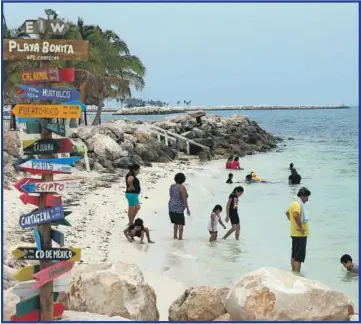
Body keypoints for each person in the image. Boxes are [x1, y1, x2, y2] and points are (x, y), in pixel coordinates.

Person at [285, 187, 311, 272]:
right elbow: (295, 215)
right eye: (307, 197)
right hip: (300, 234)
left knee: (294, 255)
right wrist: (301, 228)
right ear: (303, 196)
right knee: (298, 257)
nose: (307, 200)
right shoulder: (297, 204)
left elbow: (287, 213)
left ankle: (293, 272)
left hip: (294, 233)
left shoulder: (293, 203)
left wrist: (291, 221)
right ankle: (297, 274)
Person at [168, 173, 190, 240]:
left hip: (171, 205)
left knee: (175, 222)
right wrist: (187, 209)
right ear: (183, 179)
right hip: (179, 207)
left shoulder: (172, 186)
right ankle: (180, 237)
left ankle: (175, 236)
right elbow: (184, 199)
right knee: (180, 223)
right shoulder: (182, 187)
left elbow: (171, 195)